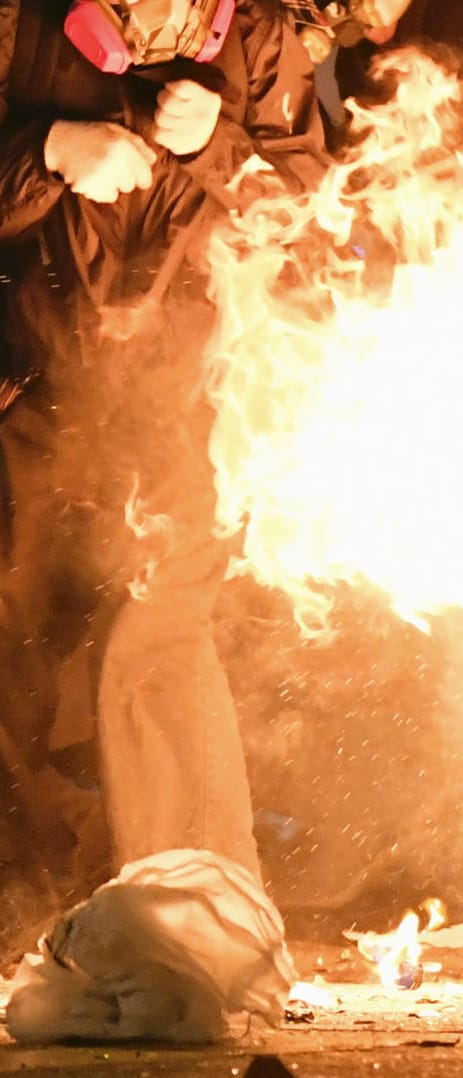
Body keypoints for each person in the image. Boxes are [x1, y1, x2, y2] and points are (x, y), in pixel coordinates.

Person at [0, 0, 326, 959]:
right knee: (9, 628)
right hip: (34, 378)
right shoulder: (18, 23)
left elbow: (310, 204)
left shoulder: (259, 38)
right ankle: (17, 908)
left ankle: (194, 914)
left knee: (160, 642)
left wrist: (212, 148)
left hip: (195, 398)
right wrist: (49, 150)